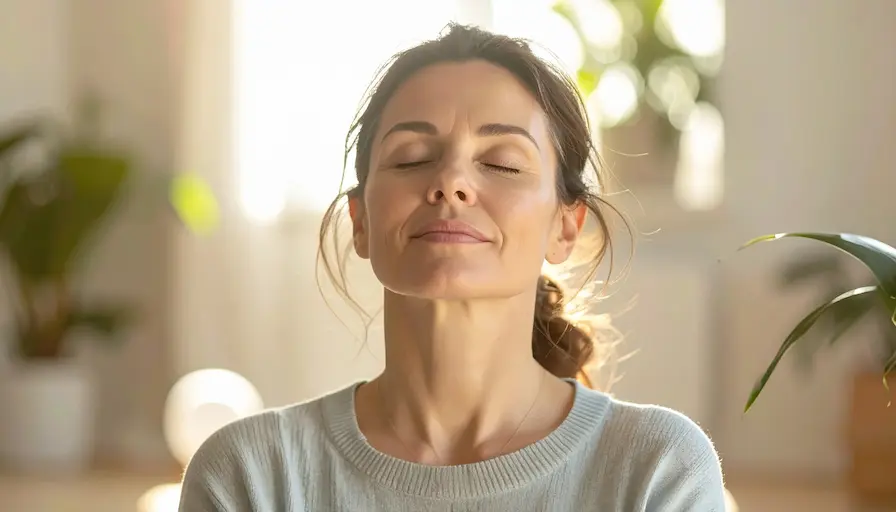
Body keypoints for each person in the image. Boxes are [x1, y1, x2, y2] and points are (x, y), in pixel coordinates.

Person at [178, 23, 726, 511]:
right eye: (412, 158)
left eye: (501, 163)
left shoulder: (658, 469)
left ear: (566, 227)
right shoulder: (249, 474)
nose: (451, 183)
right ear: (361, 220)